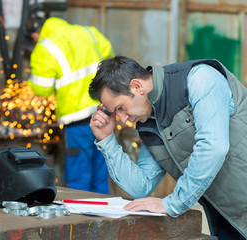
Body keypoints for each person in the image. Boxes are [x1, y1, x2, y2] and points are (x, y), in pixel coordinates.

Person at [89, 55, 247, 239]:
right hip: (229, 219)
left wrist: (172, 203)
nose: (122, 119)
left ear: (137, 86)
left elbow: (213, 147)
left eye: (121, 108)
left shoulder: (199, 78)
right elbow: (141, 187)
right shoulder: (149, 124)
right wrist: (107, 140)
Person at [26, 16, 114, 194]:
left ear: (36, 33)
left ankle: (79, 219)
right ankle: (104, 215)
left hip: (77, 121)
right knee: (100, 173)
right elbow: (110, 57)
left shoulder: (45, 47)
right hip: (104, 113)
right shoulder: (88, 32)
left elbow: (42, 89)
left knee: (79, 177)